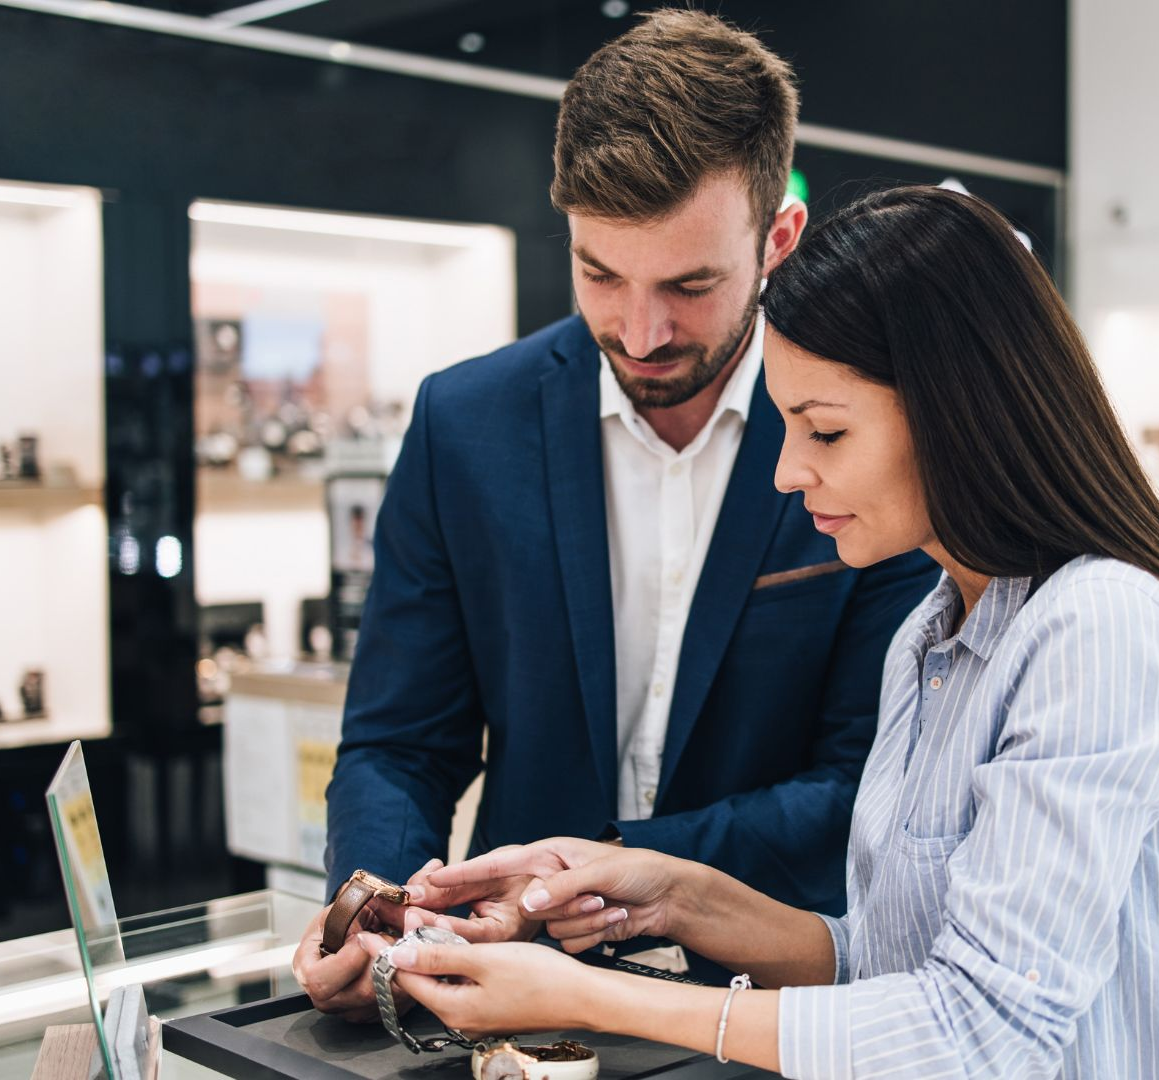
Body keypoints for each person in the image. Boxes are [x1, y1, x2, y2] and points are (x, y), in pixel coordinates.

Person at [376, 186, 1159, 1078]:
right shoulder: (934, 636)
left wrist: (588, 997)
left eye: (824, 433)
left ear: (960, 413)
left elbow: (979, 1031)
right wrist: (664, 890)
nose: (787, 472)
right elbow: (893, 959)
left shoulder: (1102, 628)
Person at [292, 11, 939, 1023]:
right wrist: (373, 902)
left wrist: (618, 868)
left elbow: (869, 781)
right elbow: (400, 741)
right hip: (512, 997)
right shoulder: (467, 422)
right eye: (600, 274)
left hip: (779, 1006)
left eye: (690, 285)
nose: (641, 333)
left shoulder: (864, 434)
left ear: (778, 239)